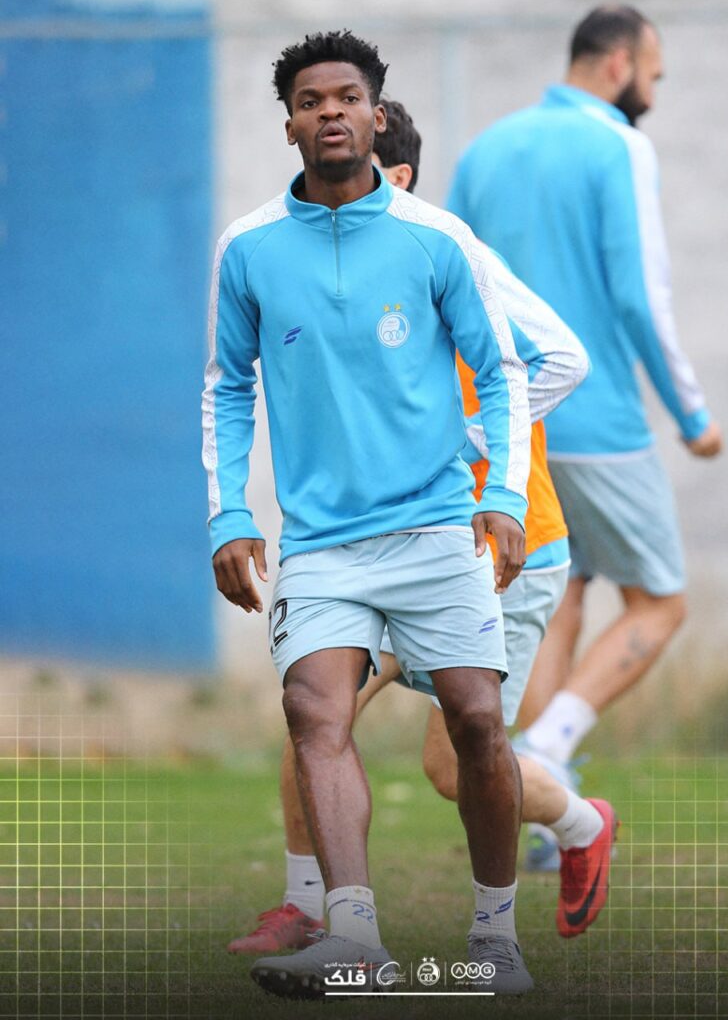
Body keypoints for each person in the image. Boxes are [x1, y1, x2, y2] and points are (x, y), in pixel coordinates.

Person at [226, 99, 618, 964]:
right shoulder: (314, 261)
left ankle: (581, 826)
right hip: (383, 539)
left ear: (395, 176)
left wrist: (463, 444)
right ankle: (313, 912)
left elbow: (563, 357)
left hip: (496, 549)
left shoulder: (449, 250)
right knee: (316, 711)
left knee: (453, 764)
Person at [203, 31, 539, 997]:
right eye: (311, 101)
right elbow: (226, 385)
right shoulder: (248, 247)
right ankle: (354, 939)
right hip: (319, 543)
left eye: (347, 98)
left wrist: (502, 496)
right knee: (314, 712)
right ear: (289, 125)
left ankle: (494, 942)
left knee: (476, 723)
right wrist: (229, 513)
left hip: (436, 527)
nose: (331, 113)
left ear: (376, 115)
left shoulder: (438, 239)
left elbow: (504, 372)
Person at [447, 4, 723, 865]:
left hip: (512, 426)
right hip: (596, 417)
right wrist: (692, 417)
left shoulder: (484, 147)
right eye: (653, 74)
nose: (653, 93)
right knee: (660, 600)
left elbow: (447, 282)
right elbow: (642, 295)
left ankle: (543, 814)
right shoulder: (619, 145)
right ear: (617, 64)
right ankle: (550, 744)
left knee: (557, 598)